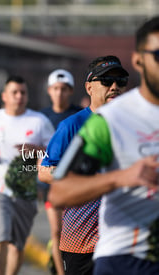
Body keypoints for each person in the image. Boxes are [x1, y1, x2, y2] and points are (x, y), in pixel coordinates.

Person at [49, 16, 159, 275]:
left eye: (118, 81)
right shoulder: (107, 122)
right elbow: (59, 191)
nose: (113, 87)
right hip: (124, 257)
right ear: (139, 60)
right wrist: (121, 177)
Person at [39, 56, 129, 275]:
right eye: (107, 81)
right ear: (89, 87)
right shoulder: (72, 125)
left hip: (123, 237)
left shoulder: (132, 124)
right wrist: (88, 177)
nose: (114, 87)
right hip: (81, 238)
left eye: (120, 81)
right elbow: (44, 172)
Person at [0, 76, 55, 275]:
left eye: (23, 92)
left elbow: (53, 152)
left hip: (25, 191)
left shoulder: (39, 121)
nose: (19, 96)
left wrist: (34, 149)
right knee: (0, 237)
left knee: (17, 245)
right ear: (4, 96)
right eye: (14, 92)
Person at [39, 69, 82, 275]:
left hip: (76, 184)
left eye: (64, 89)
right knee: (57, 231)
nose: (60, 93)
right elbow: (38, 157)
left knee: (71, 232)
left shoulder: (79, 116)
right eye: (56, 89)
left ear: (71, 91)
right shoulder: (42, 117)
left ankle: (58, 255)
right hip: (53, 184)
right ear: (49, 90)